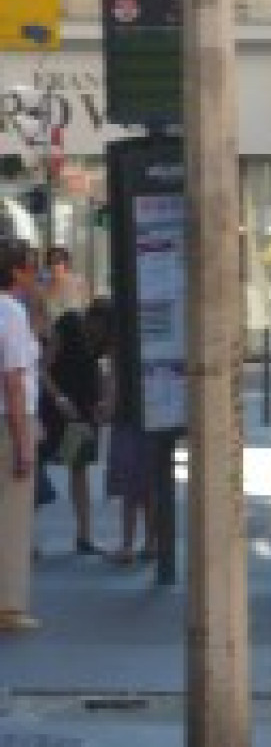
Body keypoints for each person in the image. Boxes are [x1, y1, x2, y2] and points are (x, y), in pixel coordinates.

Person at [0, 238, 43, 631]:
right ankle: (8, 605)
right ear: (15, 271)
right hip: (11, 419)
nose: (37, 276)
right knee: (13, 518)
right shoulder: (11, 312)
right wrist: (24, 445)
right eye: (32, 268)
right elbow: (13, 379)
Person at [97, 298, 157, 566]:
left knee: (131, 487)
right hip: (150, 416)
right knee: (146, 487)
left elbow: (114, 382)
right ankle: (151, 542)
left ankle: (128, 545)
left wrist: (106, 409)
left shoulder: (117, 347)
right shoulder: (144, 337)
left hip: (127, 419)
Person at [39, 308, 102, 555]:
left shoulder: (90, 340)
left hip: (73, 413)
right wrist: (60, 399)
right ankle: (81, 536)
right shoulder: (74, 332)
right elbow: (43, 369)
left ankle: (84, 536)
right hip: (66, 413)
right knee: (64, 471)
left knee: (76, 470)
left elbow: (43, 369)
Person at [41, 245, 88, 323]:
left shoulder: (79, 282)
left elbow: (86, 308)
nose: (53, 266)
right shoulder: (45, 287)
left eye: (57, 262)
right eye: (49, 263)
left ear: (66, 263)